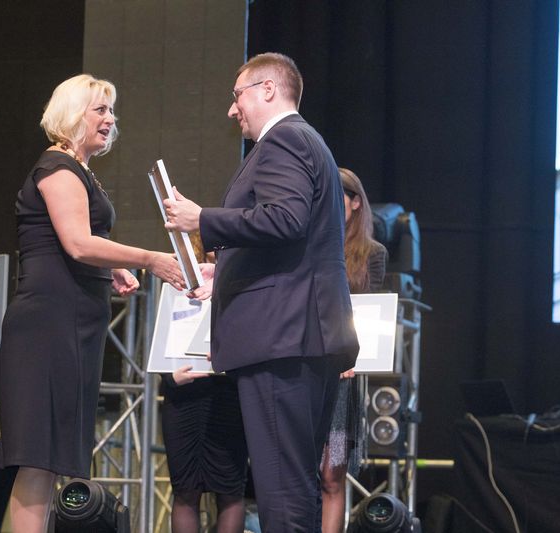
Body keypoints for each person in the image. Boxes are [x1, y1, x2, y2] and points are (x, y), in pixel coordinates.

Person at [164, 53, 359, 532]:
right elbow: (294, 239)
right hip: (300, 336)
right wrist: (224, 273)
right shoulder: (305, 141)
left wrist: (201, 219)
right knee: (293, 485)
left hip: (282, 339)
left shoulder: (284, 139)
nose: (232, 109)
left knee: (282, 489)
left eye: (238, 96)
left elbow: (284, 219)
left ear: (268, 89)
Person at [0, 73, 184, 533]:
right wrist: (148, 258)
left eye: (111, 111)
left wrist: (110, 267)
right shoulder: (58, 168)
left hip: (69, 324)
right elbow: (78, 244)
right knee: (38, 456)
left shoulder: (76, 168)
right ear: (72, 113)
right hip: (48, 325)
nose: (110, 119)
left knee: (50, 459)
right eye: (100, 109)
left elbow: (73, 242)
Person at [159, 233, 248, 533]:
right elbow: (162, 340)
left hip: (229, 394)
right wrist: (169, 376)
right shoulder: (179, 284)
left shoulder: (246, 282)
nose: (216, 249)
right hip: (184, 396)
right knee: (185, 489)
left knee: (230, 489)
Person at [320, 168, 388, 533]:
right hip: (308, 369)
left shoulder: (372, 253)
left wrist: (349, 356)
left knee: (332, 474)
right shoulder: (312, 245)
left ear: (356, 202)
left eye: (338, 198)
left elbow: (367, 309)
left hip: (344, 377)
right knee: (298, 470)